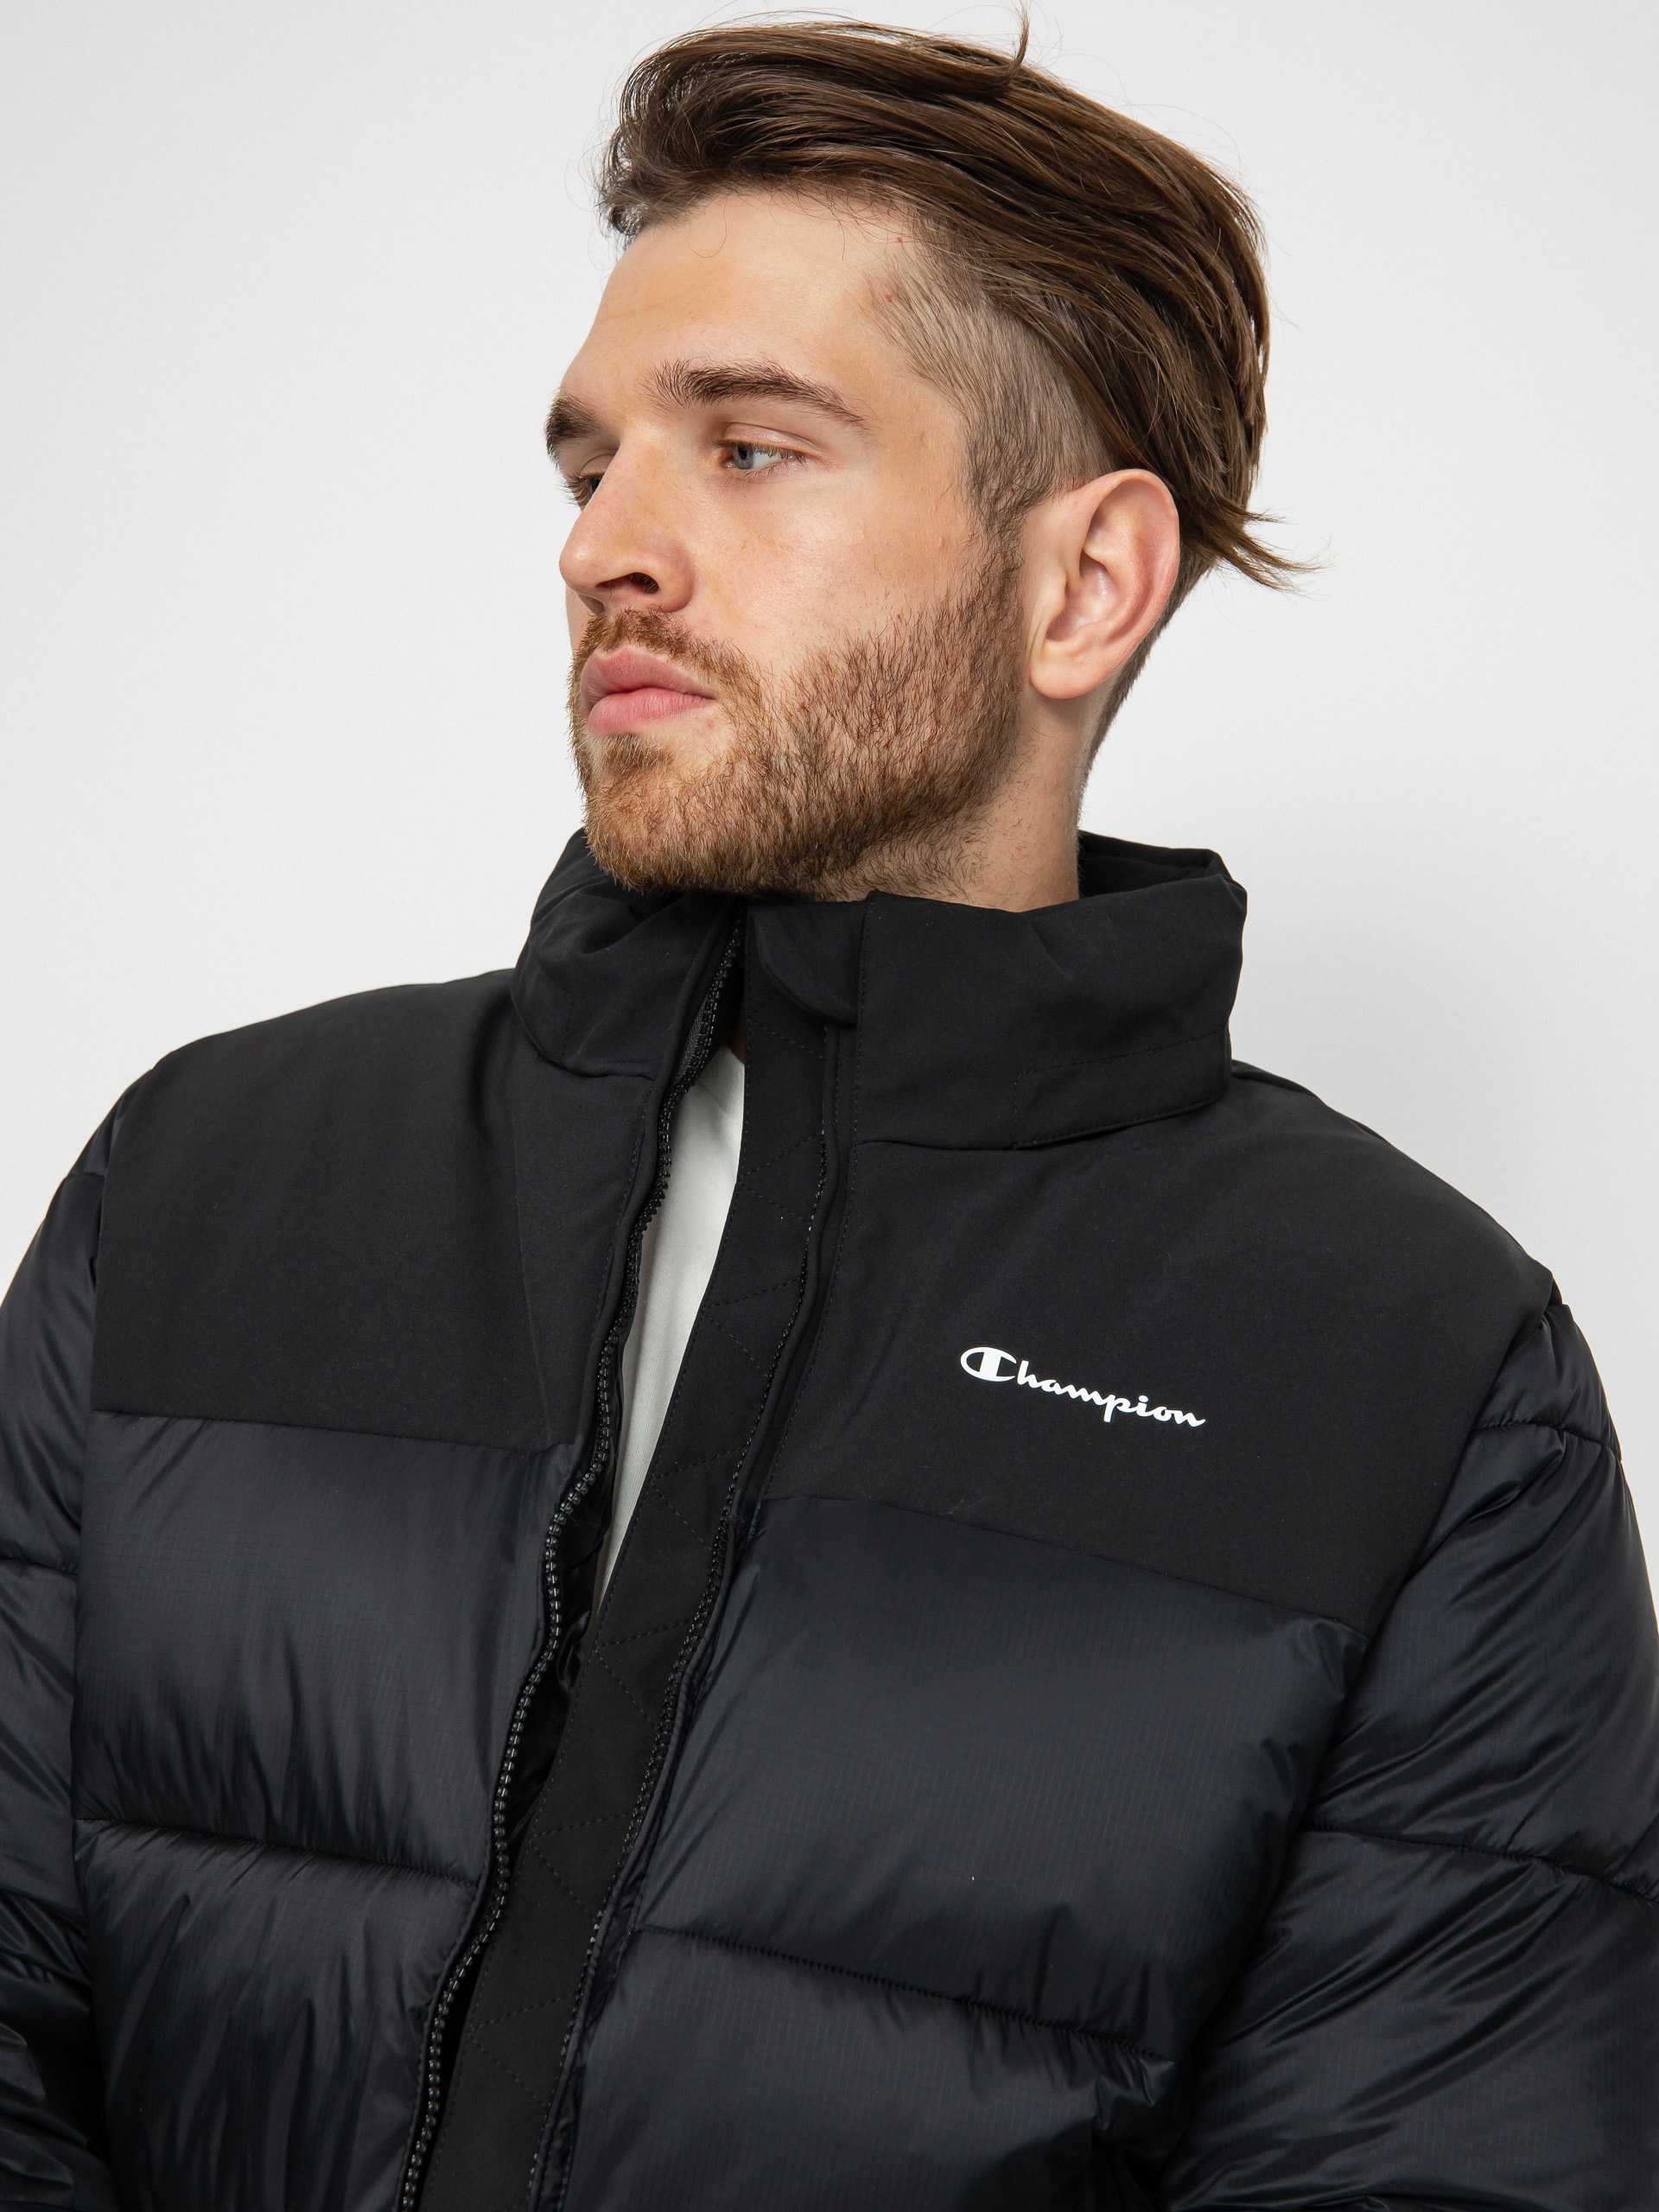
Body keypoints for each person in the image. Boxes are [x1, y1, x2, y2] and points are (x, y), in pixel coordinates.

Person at [1, 19, 1654, 2209]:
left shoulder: (1415, 1365)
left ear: (1082, 582)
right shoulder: (215, 1179)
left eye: (754, 449)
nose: (611, 547)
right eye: (591, 467)